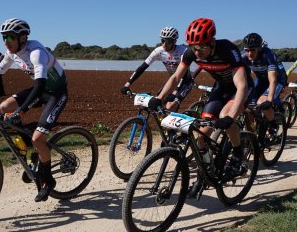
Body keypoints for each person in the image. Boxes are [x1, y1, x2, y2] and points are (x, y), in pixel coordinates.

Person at [0, 18, 68, 202]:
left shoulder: (36, 53)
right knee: (4, 107)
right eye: (3, 37)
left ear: (22, 38)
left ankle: (47, 181)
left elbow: (39, 86)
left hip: (55, 92)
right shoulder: (11, 53)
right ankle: (30, 150)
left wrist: (21, 111)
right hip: (42, 89)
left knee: (38, 138)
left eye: (9, 37)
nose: (6, 42)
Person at [147, 18, 250, 192]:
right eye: (194, 47)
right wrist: (160, 97)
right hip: (221, 87)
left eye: (202, 47)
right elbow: (175, 78)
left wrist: (230, 118)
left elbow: (241, 86)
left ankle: (238, 152)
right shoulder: (191, 53)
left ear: (212, 42)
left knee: (226, 117)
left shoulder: (227, 50)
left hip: (240, 88)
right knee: (201, 136)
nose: (197, 52)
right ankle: (206, 172)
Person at [120, 27, 191, 110]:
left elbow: (184, 74)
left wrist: (175, 92)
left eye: (168, 41)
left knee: (170, 106)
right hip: (173, 81)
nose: (164, 44)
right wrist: (127, 84)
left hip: (185, 81)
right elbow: (142, 67)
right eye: (162, 40)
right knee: (157, 101)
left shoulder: (183, 51)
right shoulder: (159, 51)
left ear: (174, 41)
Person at [242, 33, 287, 129]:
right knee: (249, 105)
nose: (249, 53)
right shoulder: (243, 56)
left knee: (262, 103)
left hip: (278, 79)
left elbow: (273, 80)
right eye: (247, 50)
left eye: (253, 50)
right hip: (261, 79)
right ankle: (252, 131)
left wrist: (269, 101)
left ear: (259, 49)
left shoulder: (268, 55)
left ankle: (272, 123)